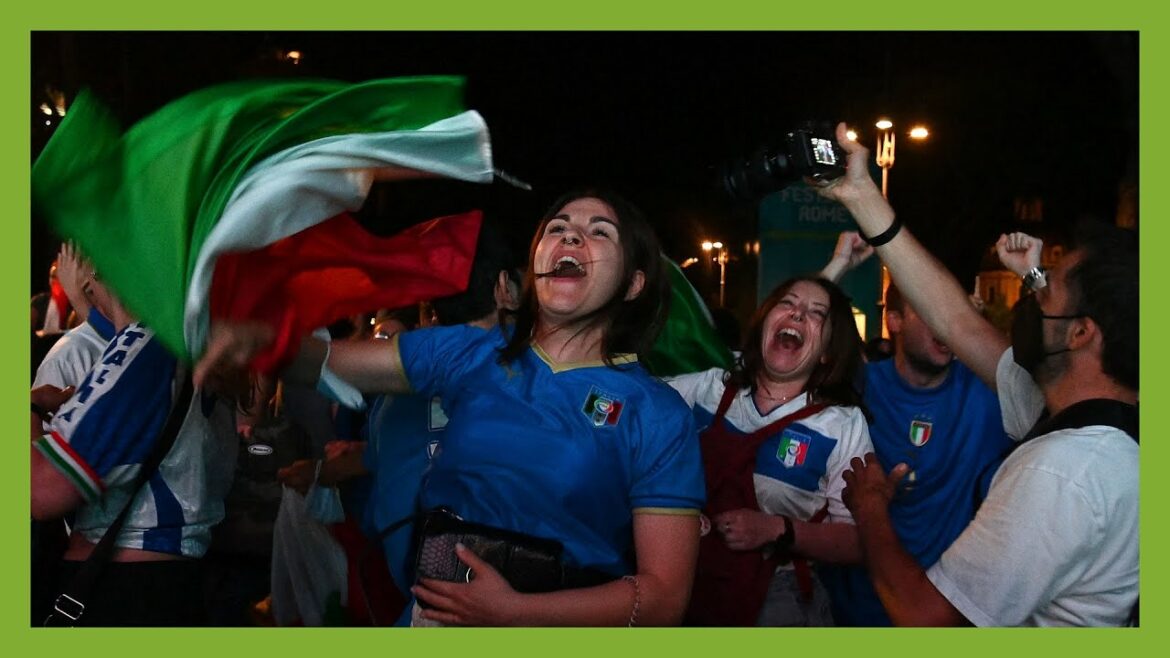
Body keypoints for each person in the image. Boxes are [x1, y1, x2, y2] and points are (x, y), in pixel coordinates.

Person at [195, 189, 705, 626]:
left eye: (599, 232)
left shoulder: (658, 413)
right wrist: (256, 338)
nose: (570, 237)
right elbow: (325, 361)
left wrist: (515, 613)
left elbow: (664, 597)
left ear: (634, 283)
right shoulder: (471, 353)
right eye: (557, 228)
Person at [817, 122, 1138, 626]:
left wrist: (871, 508)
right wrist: (861, 195)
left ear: (1081, 333)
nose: (1029, 294)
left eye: (1044, 289)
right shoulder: (1086, 424)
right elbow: (957, 321)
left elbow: (929, 620)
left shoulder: (1064, 471)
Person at [816, 232, 1014, 626]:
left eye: (950, 312)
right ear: (894, 321)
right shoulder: (858, 386)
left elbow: (1051, 370)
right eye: (928, 310)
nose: (945, 324)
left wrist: (1033, 275)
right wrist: (838, 266)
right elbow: (799, 335)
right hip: (852, 613)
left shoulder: (988, 393)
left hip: (937, 617)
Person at [30, 263, 237, 626]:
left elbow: (41, 491)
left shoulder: (144, 347)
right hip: (174, 579)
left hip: (127, 589)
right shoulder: (187, 342)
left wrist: (28, 409)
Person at [665, 275, 872, 626]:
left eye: (816, 313)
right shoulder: (710, 388)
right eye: (787, 303)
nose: (797, 314)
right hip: (684, 581)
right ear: (764, 324)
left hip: (777, 601)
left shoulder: (841, 424)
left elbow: (858, 542)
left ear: (827, 352)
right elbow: (636, 404)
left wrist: (777, 529)